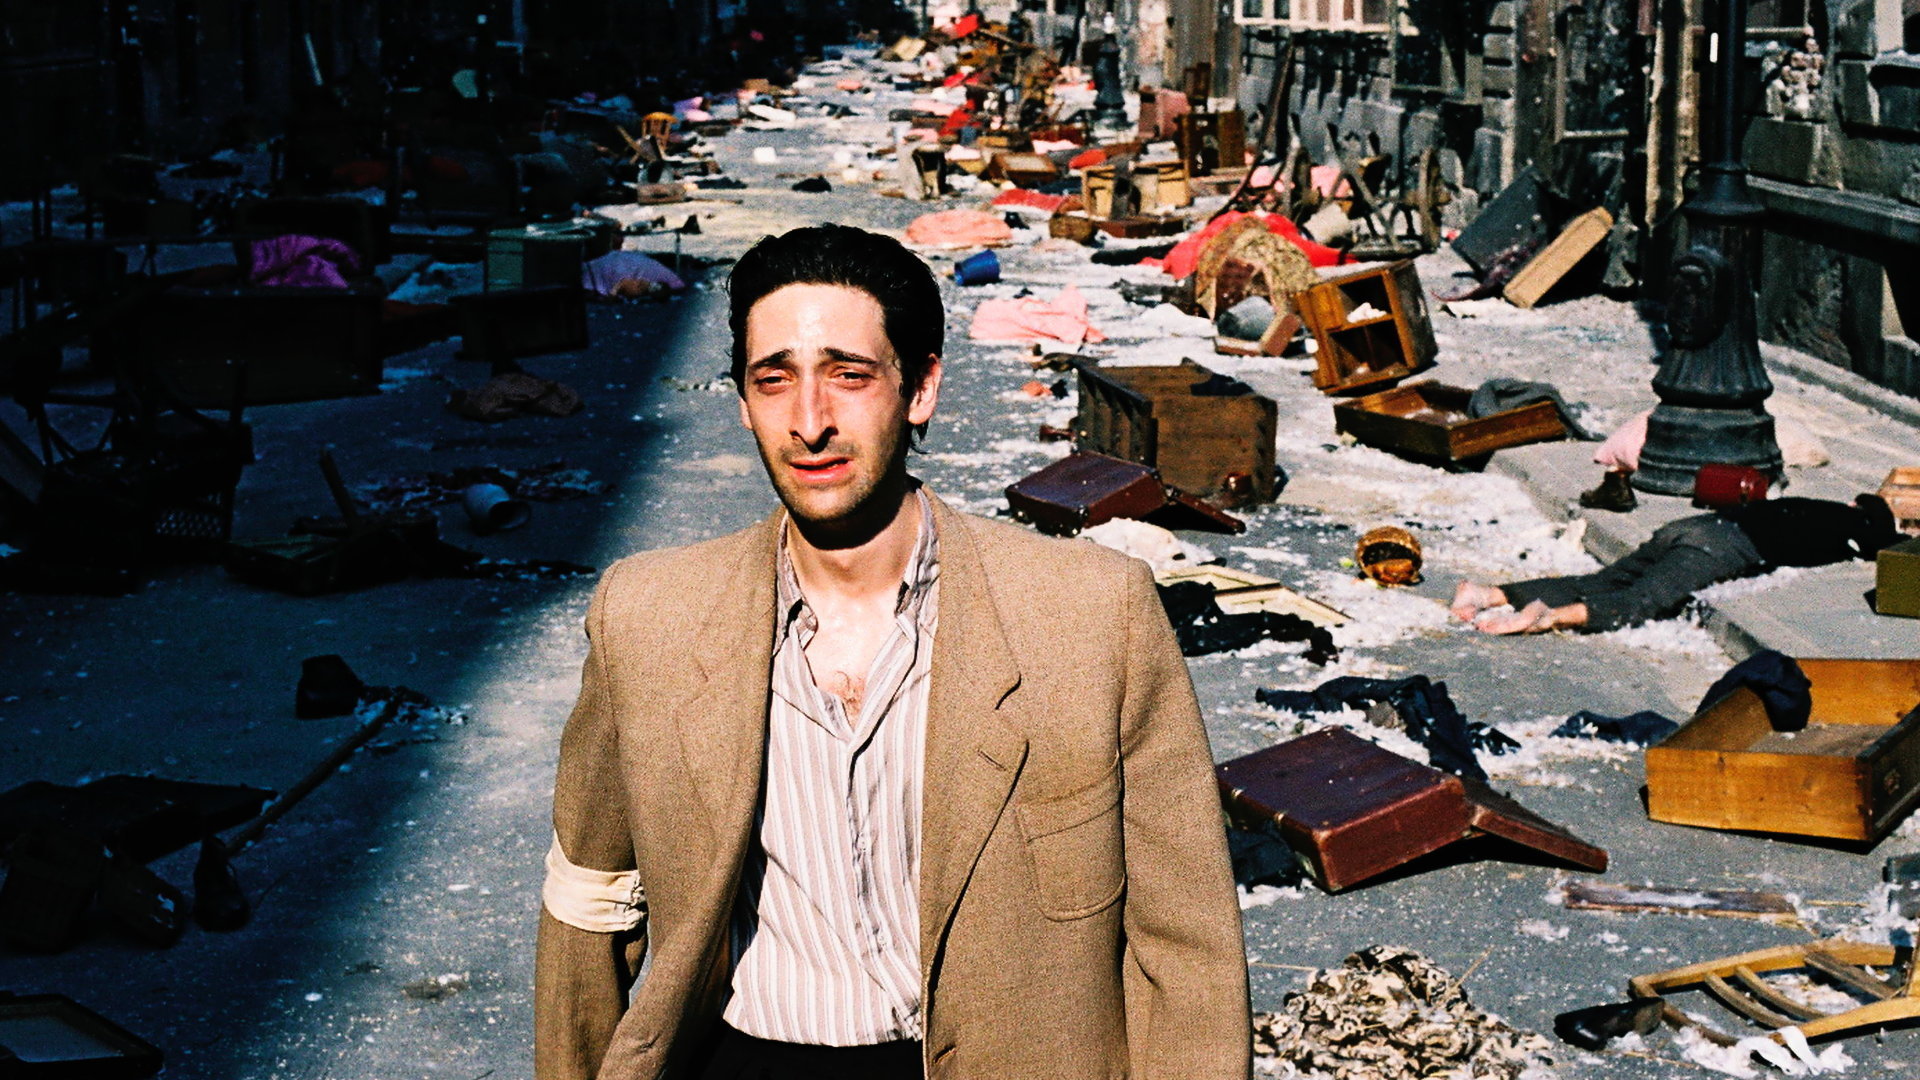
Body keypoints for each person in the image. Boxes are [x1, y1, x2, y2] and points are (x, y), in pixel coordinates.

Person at [534, 224, 1249, 1080]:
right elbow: (590, 898)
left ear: (921, 389)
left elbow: (1187, 942)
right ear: (743, 403)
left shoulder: (1092, 615)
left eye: (849, 375)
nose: (810, 423)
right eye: (774, 380)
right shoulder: (648, 616)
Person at [1452, 493, 1905, 634]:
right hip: (1722, 547)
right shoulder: (1853, 531)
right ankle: (1548, 617)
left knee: (1606, 578)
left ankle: (1487, 594)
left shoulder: (1819, 506)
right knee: (1641, 600)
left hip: (1693, 527)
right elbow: (1881, 548)